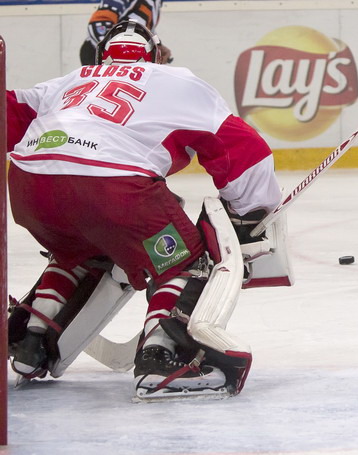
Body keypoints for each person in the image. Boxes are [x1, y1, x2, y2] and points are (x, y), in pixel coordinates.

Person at [6, 20, 283, 400]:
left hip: (30, 187)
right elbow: (242, 149)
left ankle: (32, 337)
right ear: (153, 55)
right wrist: (253, 213)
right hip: (113, 191)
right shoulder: (175, 81)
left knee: (80, 250)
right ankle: (163, 357)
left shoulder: (72, 79)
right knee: (184, 260)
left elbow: (9, 112)